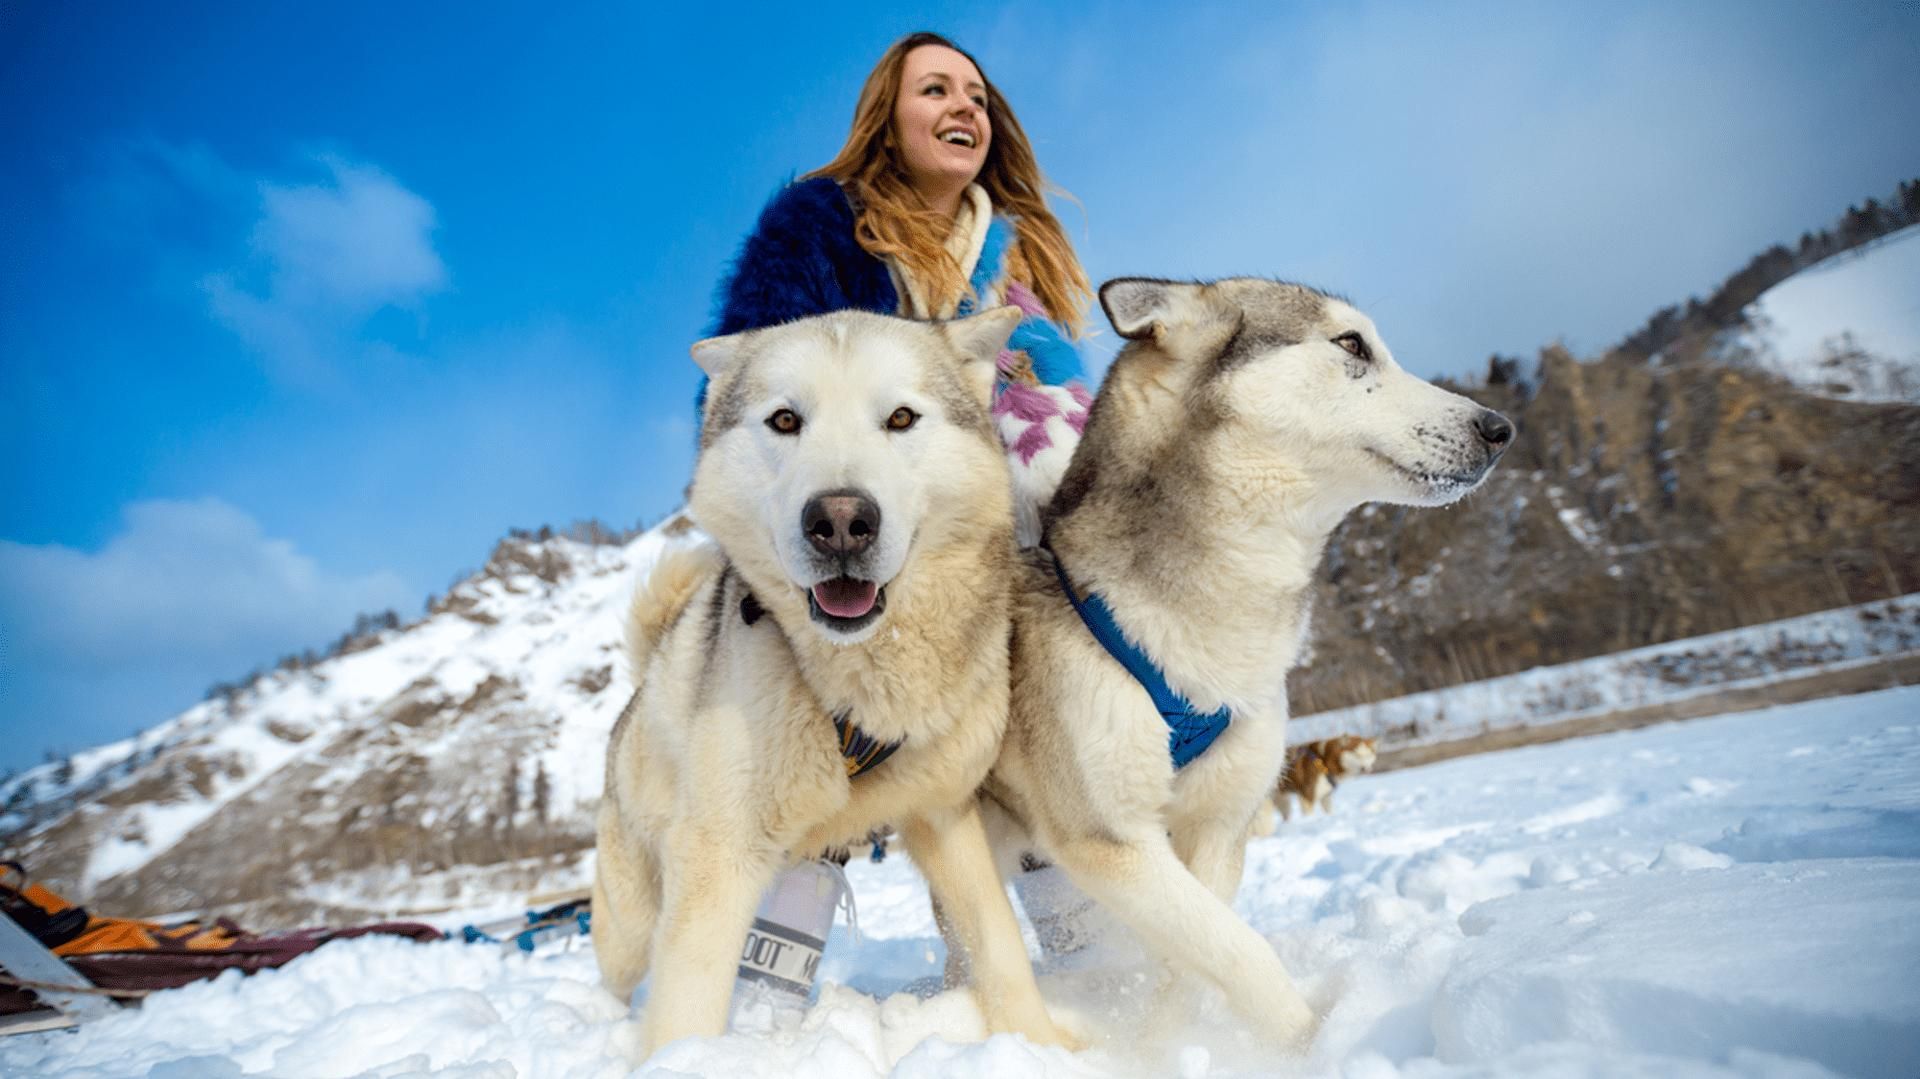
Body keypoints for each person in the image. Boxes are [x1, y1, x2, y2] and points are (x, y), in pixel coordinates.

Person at [708, 30, 1093, 543]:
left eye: (977, 100)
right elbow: (743, 398)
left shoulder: (1024, 265)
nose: (965, 108)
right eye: (936, 91)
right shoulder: (817, 229)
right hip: (846, 524)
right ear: (887, 125)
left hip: (1016, 549)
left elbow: (1076, 414)